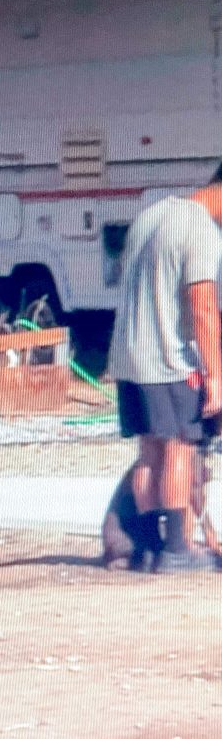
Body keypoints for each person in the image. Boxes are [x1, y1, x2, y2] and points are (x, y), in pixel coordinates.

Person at [107, 168, 222, 573]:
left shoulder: (153, 214)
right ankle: (176, 550)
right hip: (169, 358)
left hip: (128, 356)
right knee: (179, 448)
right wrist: (217, 377)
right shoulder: (202, 229)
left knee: (148, 454)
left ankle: (148, 548)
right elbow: (203, 305)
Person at [102, 439, 219, 569]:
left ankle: (149, 556)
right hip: (123, 538)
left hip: (122, 538)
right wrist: (209, 536)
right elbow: (193, 493)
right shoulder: (185, 448)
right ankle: (164, 556)